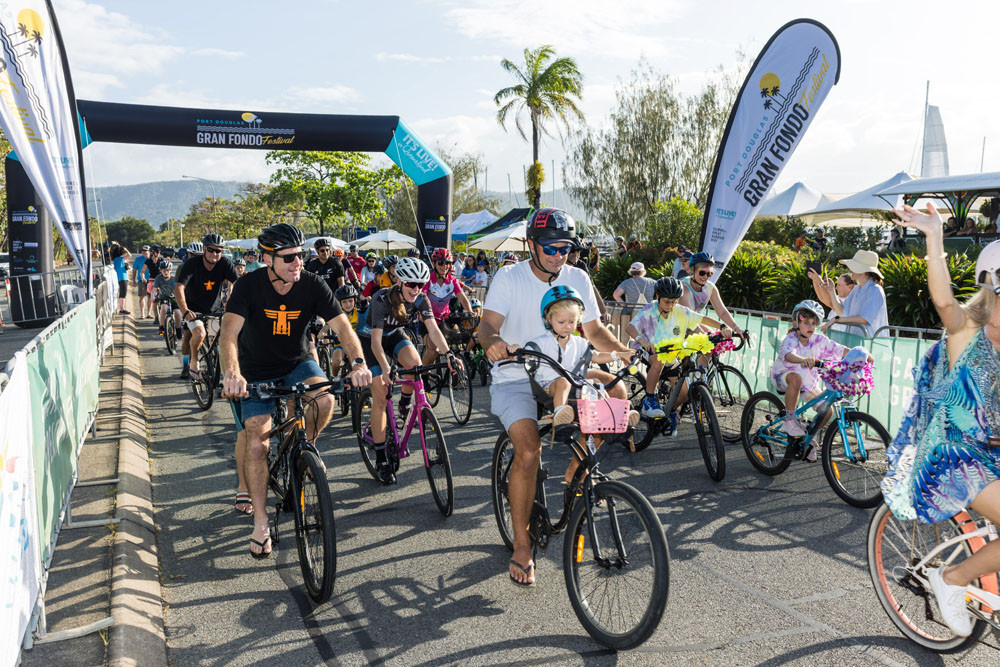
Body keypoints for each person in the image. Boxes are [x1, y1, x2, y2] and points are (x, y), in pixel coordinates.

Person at [478, 207, 635, 587]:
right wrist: (495, 344)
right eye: (549, 247)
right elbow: (486, 326)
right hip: (516, 373)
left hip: (565, 369)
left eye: (564, 247)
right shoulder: (510, 276)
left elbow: (595, 332)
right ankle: (520, 543)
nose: (557, 255)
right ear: (531, 244)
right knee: (529, 452)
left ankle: (574, 475)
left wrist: (626, 352)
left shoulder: (578, 277)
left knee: (618, 391)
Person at [881, 203, 1000, 638]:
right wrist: (934, 236)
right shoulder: (967, 328)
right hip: (954, 457)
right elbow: (943, 299)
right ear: (993, 287)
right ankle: (951, 579)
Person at [220, 223, 372, 557]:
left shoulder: (313, 284)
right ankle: (261, 522)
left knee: (324, 399)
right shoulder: (247, 286)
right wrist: (232, 373)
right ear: (267, 259)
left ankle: (305, 452)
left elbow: (343, 327)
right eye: (288, 258)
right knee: (257, 445)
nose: (297, 263)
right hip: (255, 371)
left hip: (297, 362)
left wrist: (358, 362)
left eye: (300, 256)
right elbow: (228, 335)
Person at [517, 285, 639, 484]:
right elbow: (529, 353)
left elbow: (597, 356)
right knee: (564, 381)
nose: (567, 326)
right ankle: (560, 415)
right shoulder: (542, 341)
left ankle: (619, 417)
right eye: (561, 321)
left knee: (597, 384)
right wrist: (519, 351)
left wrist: (619, 354)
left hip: (575, 386)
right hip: (549, 388)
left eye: (572, 321)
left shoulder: (579, 343)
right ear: (549, 320)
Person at [356, 256, 461, 484]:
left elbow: (433, 330)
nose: (416, 289)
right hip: (370, 341)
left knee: (415, 364)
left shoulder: (421, 299)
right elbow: (375, 343)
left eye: (420, 284)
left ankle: (405, 403)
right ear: (400, 281)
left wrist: (449, 354)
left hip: (393, 335)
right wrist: (385, 369)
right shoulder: (381, 298)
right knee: (381, 396)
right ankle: (382, 457)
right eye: (411, 284)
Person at [769, 300, 867, 460]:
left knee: (827, 411)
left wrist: (862, 356)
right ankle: (789, 420)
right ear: (796, 322)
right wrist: (803, 359)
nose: (810, 327)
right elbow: (789, 354)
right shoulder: (791, 339)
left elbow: (840, 349)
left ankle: (807, 439)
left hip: (808, 384)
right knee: (796, 377)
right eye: (806, 322)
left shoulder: (819, 340)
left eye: (814, 323)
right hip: (784, 377)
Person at [626, 277, 731, 424]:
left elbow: (702, 319)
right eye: (667, 301)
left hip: (672, 354)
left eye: (674, 301)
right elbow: (629, 327)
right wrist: (642, 341)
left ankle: (671, 409)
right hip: (648, 350)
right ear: (657, 297)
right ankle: (649, 401)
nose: (671, 305)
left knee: (684, 390)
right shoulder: (648, 310)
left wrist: (722, 327)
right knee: (658, 360)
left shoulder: (680, 311)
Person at [174, 233, 237, 380]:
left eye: (218, 250)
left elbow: (237, 283)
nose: (214, 254)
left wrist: (235, 305)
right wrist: (185, 311)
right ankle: (192, 362)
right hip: (193, 310)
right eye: (211, 249)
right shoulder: (191, 264)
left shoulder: (225, 263)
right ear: (204, 249)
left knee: (224, 339)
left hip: (216, 309)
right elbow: (178, 287)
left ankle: (218, 370)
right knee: (197, 334)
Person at [819, 249, 888, 338]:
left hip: (872, 344)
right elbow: (842, 312)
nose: (849, 269)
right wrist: (832, 291)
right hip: (857, 341)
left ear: (863, 271)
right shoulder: (856, 289)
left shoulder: (876, 290)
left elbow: (864, 319)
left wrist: (836, 320)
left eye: (853, 266)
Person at [678, 252, 747, 340]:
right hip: (679, 323)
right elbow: (690, 317)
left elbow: (722, 312)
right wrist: (707, 339)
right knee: (708, 343)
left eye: (709, 274)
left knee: (714, 341)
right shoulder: (683, 286)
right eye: (702, 273)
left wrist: (736, 328)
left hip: (694, 322)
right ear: (692, 269)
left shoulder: (710, 287)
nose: (705, 277)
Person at [329, 284, 360, 377]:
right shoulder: (337, 315)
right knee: (336, 360)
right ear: (339, 303)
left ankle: (364, 388)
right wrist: (322, 332)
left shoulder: (359, 314)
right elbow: (326, 327)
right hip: (340, 345)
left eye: (350, 301)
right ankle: (335, 378)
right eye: (344, 302)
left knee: (362, 362)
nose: (348, 304)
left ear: (355, 300)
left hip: (356, 345)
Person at [153, 260, 181, 336]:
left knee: (178, 313)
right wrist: (153, 296)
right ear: (161, 270)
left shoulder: (173, 279)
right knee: (164, 308)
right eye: (164, 270)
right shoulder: (158, 278)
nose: (166, 272)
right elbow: (154, 288)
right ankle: (161, 327)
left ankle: (178, 328)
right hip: (163, 297)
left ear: (170, 270)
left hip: (173, 297)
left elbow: (177, 288)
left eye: (168, 270)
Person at [111, 244, 131, 315]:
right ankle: (122, 309)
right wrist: (126, 249)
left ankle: (122, 308)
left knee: (122, 293)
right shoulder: (119, 259)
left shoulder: (117, 259)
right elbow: (129, 255)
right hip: (122, 277)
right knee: (123, 293)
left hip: (122, 277)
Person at [132, 245, 151, 319]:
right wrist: (133, 280)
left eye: (146, 251)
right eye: (143, 251)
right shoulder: (138, 259)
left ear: (149, 251)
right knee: (142, 297)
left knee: (150, 297)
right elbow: (134, 270)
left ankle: (149, 313)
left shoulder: (152, 259)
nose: (144, 252)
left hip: (151, 280)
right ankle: (142, 314)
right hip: (141, 280)